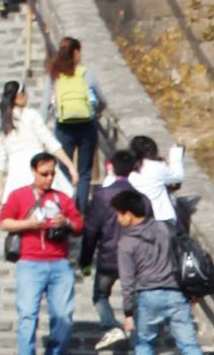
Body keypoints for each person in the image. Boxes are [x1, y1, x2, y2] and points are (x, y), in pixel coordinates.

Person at [0, 153, 83, 355]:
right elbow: (4, 221)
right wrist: (28, 224)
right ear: (33, 171)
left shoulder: (62, 198)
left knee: (63, 316)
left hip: (59, 263)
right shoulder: (19, 195)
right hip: (30, 263)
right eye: (44, 174)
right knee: (27, 315)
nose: (49, 178)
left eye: (52, 174)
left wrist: (66, 222)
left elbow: (79, 225)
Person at [113, 189, 205, 355]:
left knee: (144, 343)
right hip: (177, 292)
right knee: (189, 345)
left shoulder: (126, 244)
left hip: (148, 296)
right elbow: (183, 255)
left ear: (129, 214)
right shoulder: (165, 228)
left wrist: (128, 312)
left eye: (119, 214)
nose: (117, 219)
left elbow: (127, 282)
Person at [81, 149, 136, 351]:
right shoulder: (140, 197)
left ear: (110, 166)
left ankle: (111, 325)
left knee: (100, 296)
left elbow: (91, 229)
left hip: (108, 257)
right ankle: (136, 339)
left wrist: (85, 260)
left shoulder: (102, 196)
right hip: (134, 259)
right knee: (134, 299)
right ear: (133, 168)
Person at [0, 81, 77, 202]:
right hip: (40, 167)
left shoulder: (0, 124)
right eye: (24, 93)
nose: (27, 95)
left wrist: (0, 187)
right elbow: (50, 142)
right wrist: (70, 166)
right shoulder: (31, 116)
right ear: (18, 97)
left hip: (16, 175)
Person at [46, 37, 103, 211]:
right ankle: (81, 211)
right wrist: (97, 112)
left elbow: (45, 105)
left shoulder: (54, 75)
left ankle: (65, 208)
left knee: (63, 170)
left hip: (63, 127)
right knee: (84, 172)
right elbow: (102, 99)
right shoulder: (87, 73)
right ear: (76, 52)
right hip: (87, 125)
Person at [124, 135, 185, 226]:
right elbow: (178, 176)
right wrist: (175, 155)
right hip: (162, 218)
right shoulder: (155, 166)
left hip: (138, 222)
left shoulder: (128, 169)